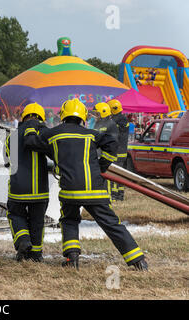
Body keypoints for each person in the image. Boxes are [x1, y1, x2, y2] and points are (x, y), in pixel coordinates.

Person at [26, 98, 148, 271]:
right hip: (95, 190)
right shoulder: (91, 134)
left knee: (69, 220)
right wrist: (102, 165)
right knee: (111, 224)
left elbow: (31, 143)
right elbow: (112, 143)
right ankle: (138, 260)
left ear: (63, 115)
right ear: (83, 117)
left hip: (70, 192)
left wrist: (31, 128)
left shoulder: (53, 134)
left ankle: (72, 259)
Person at [3, 102, 50, 262]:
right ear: (42, 118)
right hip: (40, 189)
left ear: (24, 117)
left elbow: (7, 159)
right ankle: (36, 254)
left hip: (18, 188)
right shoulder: (45, 133)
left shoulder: (12, 136)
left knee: (15, 214)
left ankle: (23, 240)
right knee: (37, 220)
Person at [93, 102, 119, 201]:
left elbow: (111, 143)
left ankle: (106, 198)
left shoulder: (110, 125)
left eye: (97, 114)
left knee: (105, 179)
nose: (96, 116)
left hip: (107, 158)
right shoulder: (99, 123)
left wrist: (104, 159)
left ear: (103, 113)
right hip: (99, 156)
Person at [108, 99, 130, 201]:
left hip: (117, 152)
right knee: (120, 174)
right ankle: (119, 194)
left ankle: (115, 195)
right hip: (122, 152)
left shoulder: (116, 121)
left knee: (114, 175)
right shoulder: (123, 119)